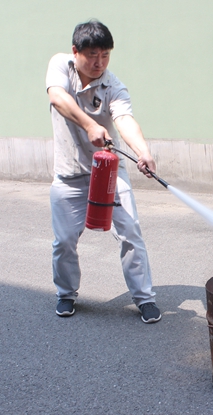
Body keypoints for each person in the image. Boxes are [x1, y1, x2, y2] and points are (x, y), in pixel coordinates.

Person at [46, 20, 161, 323]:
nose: (99, 63)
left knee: (131, 232)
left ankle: (144, 298)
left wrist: (143, 152)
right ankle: (66, 294)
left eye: (106, 55)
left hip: (110, 173)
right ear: (76, 52)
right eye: (93, 55)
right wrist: (90, 125)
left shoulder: (114, 86)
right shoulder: (60, 65)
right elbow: (57, 97)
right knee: (64, 241)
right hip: (69, 175)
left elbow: (124, 119)